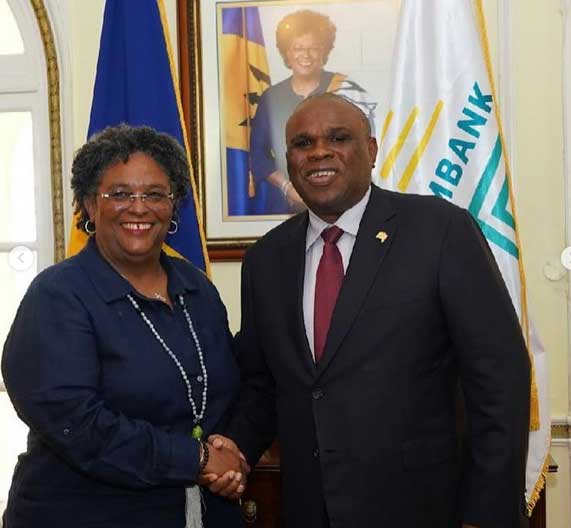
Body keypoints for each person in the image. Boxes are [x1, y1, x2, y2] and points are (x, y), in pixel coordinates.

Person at [212, 94, 531, 527]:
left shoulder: (439, 231)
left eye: (338, 138)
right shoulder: (266, 260)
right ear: (289, 161)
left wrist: (486, 513)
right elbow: (264, 385)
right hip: (310, 509)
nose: (319, 152)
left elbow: (499, 379)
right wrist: (235, 448)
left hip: (424, 508)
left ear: (372, 150)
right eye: (303, 143)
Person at [1, 125, 246, 528]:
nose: (138, 207)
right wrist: (197, 459)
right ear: (89, 206)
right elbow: (77, 424)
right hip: (83, 513)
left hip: (199, 512)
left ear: (174, 206)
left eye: (154, 194)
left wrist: (228, 451)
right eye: (119, 194)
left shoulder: (196, 288)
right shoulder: (58, 296)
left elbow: (223, 390)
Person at [249, 10, 377, 215]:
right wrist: (288, 188)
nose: (306, 56)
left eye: (313, 48)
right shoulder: (270, 98)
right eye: (298, 48)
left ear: (324, 52)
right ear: (286, 53)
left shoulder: (346, 90)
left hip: (345, 204)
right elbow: (258, 155)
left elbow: (364, 148)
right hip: (286, 206)